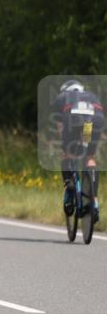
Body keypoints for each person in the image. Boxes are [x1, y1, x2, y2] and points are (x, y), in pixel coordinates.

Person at [50, 79, 103, 223]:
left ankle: (69, 189)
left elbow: (61, 127)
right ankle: (95, 202)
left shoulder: (61, 97)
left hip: (73, 119)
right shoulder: (92, 95)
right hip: (93, 122)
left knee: (68, 154)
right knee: (90, 157)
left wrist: (65, 145)